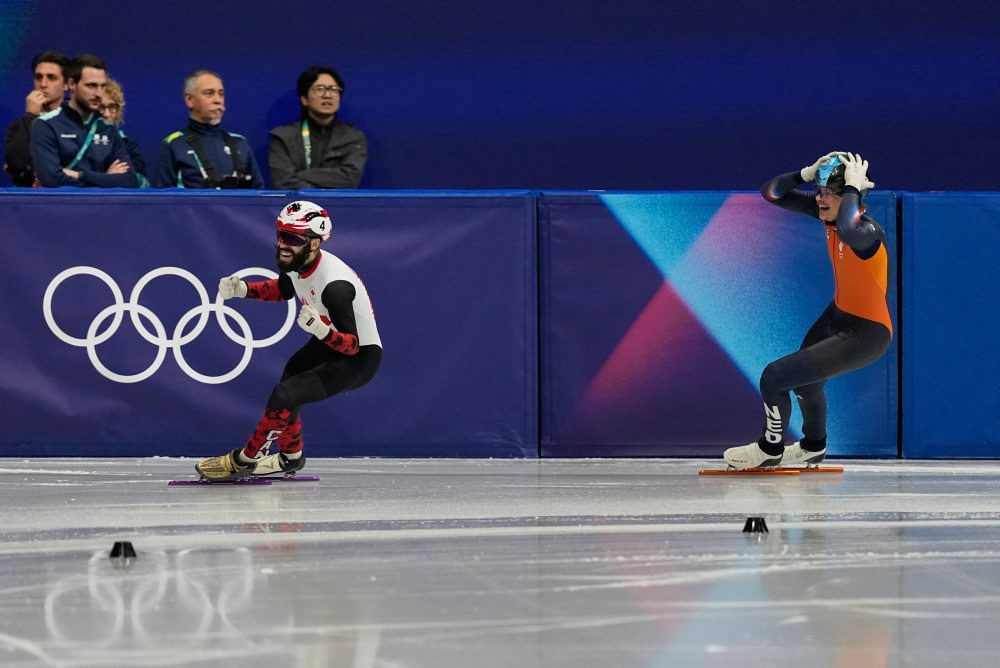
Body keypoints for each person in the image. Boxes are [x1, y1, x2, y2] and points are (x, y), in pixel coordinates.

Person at [723, 152, 891, 469]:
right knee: (805, 382)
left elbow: (849, 229)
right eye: (819, 191)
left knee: (774, 377)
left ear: (852, 195)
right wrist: (805, 174)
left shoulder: (868, 233)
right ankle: (813, 446)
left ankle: (769, 450)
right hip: (839, 315)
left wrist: (853, 189)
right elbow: (771, 193)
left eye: (830, 193)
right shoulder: (829, 215)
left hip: (866, 333)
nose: (820, 199)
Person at [195, 200, 382, 481]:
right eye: (281, 234)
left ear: (314, 243)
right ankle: (291, 456)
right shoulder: (298, 261)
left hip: (358, 358)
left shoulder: (335, 287)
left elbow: (352, 346)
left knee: (286, 395)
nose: (283, 244)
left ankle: (245, 460)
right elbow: (283, 288)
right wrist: (242, 289)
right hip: (328, 341)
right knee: (289, 382)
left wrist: (321, 331)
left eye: (292, 238)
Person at [29, 54, 137, 188]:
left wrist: (80, 175)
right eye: (91, 86)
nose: (99, 94)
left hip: (101, 202)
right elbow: (52, 180)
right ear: (72, 84)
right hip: (61, 202)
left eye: (102, 86)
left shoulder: (107, 128)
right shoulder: (45, 125)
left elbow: (129, 181)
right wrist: (106, 179)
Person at [151, 69, 263, 189]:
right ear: (189, 100)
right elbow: (162, 197)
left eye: (221, 94)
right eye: (209, 93)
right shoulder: (174, 144)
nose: (218, 100)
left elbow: (259, 193)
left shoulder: (240, 142)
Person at [268, 66, 367, 189]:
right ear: (304, 99)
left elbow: (350, 179)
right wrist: (317, 195)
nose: (327, 95)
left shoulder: (353, 138)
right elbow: (283, 182)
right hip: (299, 202)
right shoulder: (284, 138)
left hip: (336, 202)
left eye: (333, 89)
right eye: (320, 89)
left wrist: (300, 175)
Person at [3, 51, 69, 186]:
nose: (43, 84)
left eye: (51, 77)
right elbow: (16, 165)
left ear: (66, 84)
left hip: (70, 195)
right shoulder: (22, 124)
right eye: (38, 77)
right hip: (29, 196)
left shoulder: (80, 120)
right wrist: (30, 116)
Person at [99, 78, 149, 187]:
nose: (106, 114)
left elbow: (142, 183)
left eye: (112, 107)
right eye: (101, 107)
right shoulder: (77, 142)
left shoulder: (128, 145)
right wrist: (106, 179)